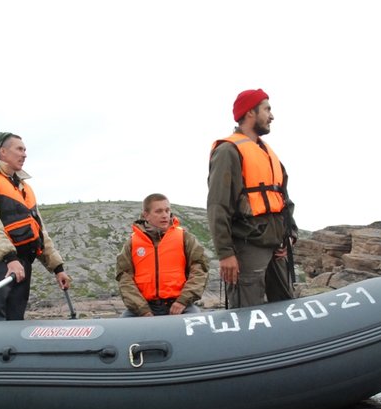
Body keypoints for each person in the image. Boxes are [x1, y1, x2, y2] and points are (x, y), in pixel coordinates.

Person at [0, 131, 71, 321]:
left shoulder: (23, 188)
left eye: (25, 150)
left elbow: (40, 231)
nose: (24, 154)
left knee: (15, 319)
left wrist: (57, 267)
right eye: (19, 149)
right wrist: (9, 258)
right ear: (3, 152)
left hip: (21, 264)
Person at [206, 88, 297, 309]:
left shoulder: (268, 153)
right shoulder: (228, 151)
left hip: (277, 246)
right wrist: (226, 253)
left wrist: (290, 235)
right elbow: (218, 205)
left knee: (285, 306)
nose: (272, 116)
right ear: (250, 113)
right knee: (246, 311)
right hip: (248, 245)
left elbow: (284, 199)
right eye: (267, 109)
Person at [116, 193, 209, 317]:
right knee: (123, 330)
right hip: (143, 307)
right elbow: (125, 278)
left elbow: (199, 270)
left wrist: (182, 301)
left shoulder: (184, 237)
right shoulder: (132, 243)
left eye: (167, 210)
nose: (165, 215)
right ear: (146, 215)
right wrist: (143, 310)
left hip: (180, 305)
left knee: (198, 326)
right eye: (158, 211)